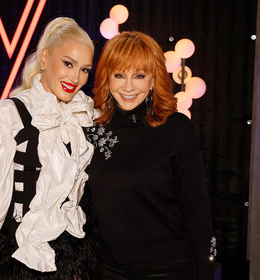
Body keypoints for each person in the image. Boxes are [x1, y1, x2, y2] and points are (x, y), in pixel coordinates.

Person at [0, 17, 99, 280]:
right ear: (45, 58)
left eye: (84, 69)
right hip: (18, 260)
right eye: (68, 64)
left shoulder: (81, 116)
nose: (76, 78)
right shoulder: (10, 114)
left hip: (70, 257)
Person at [84, 31, 216, 279]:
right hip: (109, 269)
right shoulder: (91, 131)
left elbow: (198, 211)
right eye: (119, 75)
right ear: (107, 78)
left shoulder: (177, 129)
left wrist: (206, 270)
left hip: (169, 269)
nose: (128, 86)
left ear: (153, 79)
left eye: (139, 76)